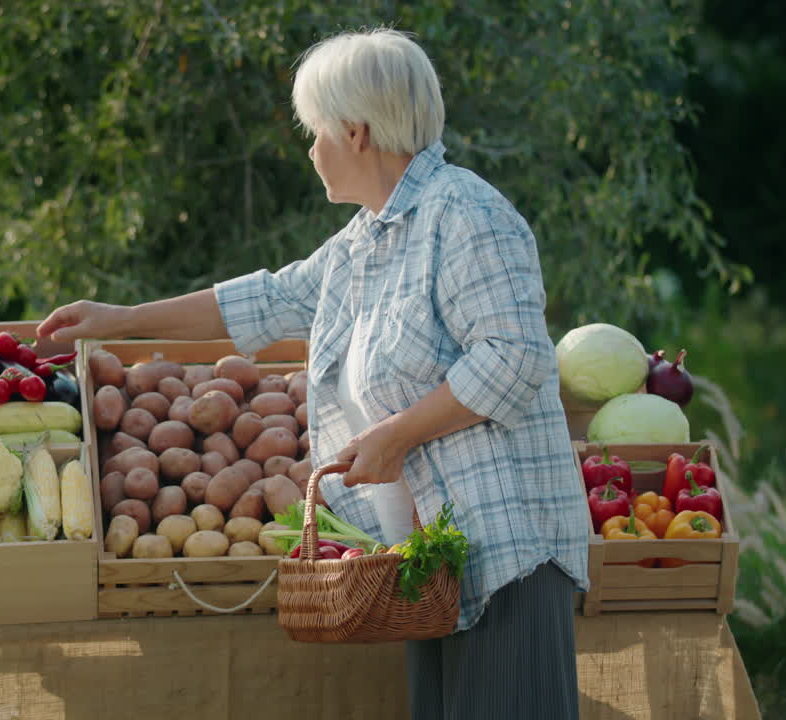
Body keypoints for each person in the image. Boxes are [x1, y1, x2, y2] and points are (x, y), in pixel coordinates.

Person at [37, 28, 590, 719]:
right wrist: (119, 318)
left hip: (505, 550)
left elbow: (515, 359)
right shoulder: (370, 238)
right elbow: (266, 298)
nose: (310, 149)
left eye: (315, 129)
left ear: (356, 131)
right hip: (431, 560)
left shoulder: (465, 214)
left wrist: (394, 436)